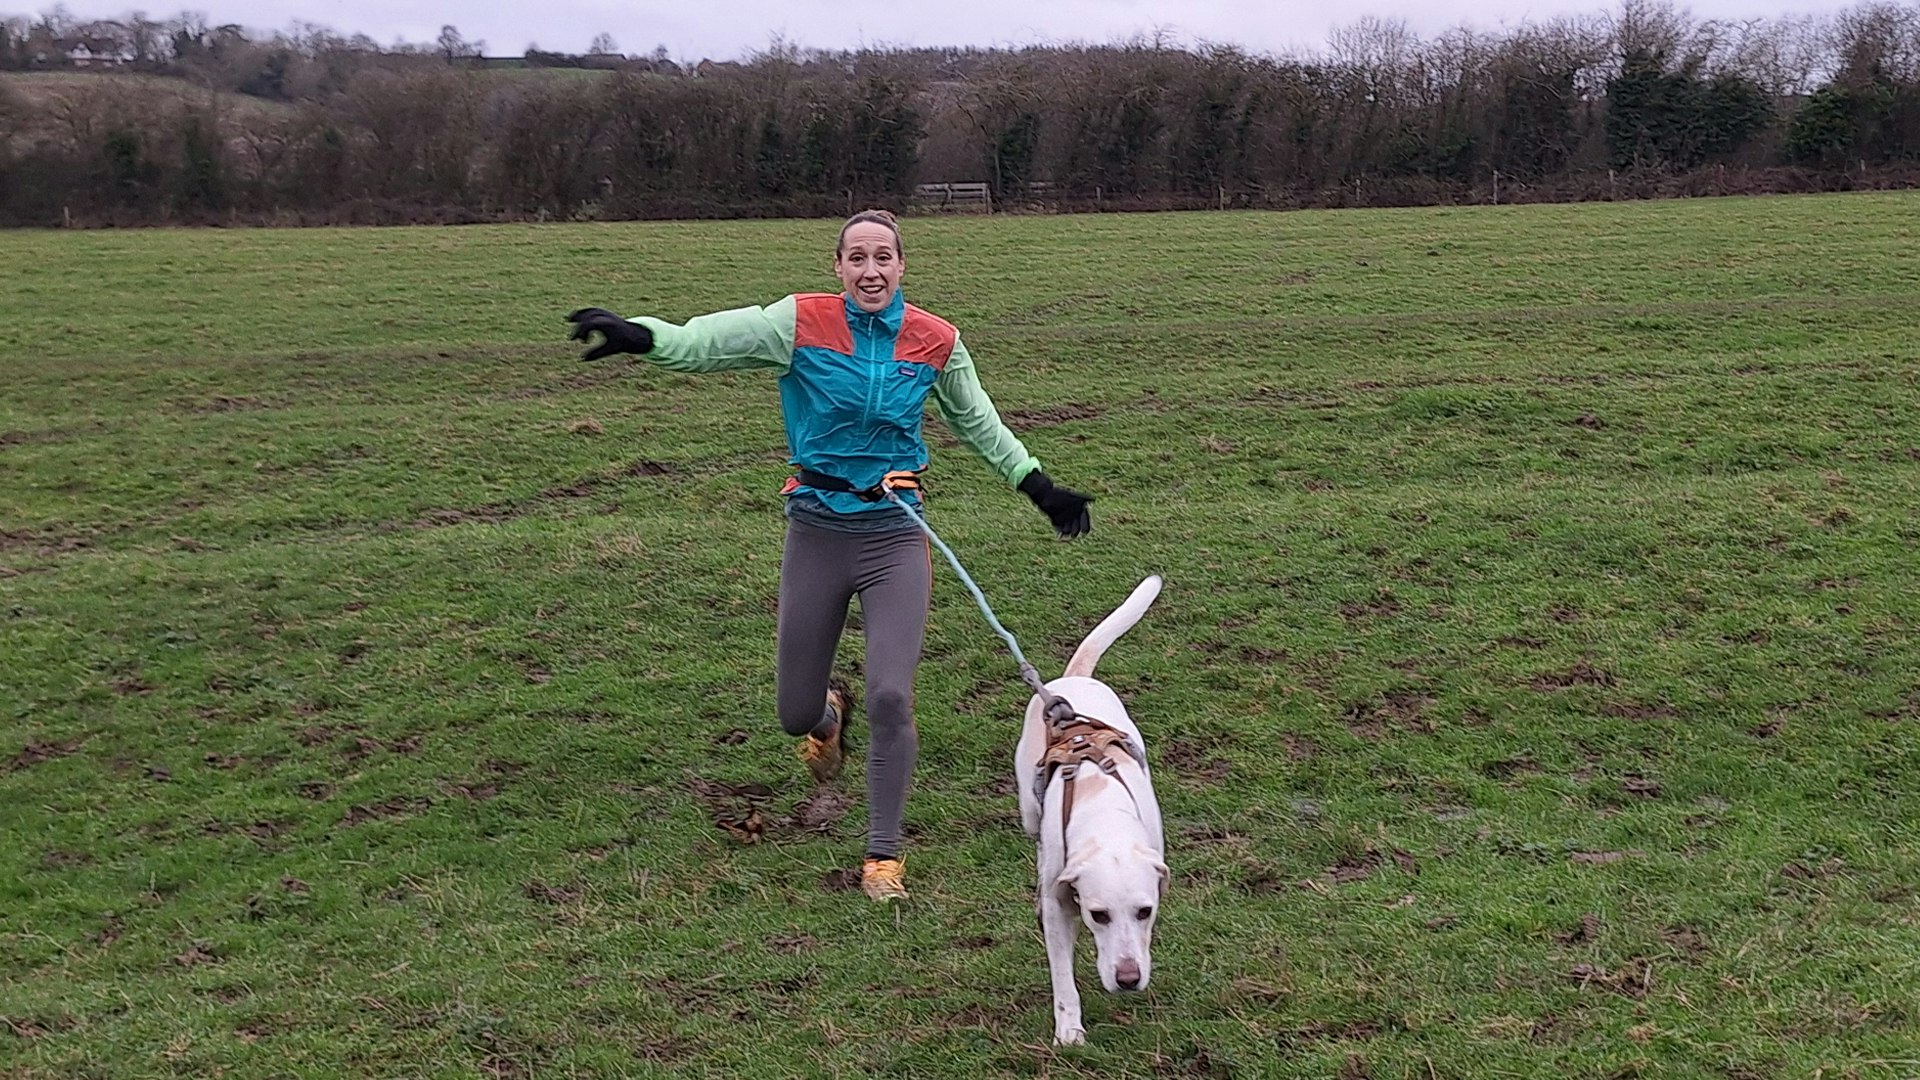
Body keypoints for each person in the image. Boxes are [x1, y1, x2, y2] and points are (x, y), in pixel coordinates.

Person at [566, 209, 1093, 901]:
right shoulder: (798, 322)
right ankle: (826, 719)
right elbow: (705, 343)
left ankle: (883, 856)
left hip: (894, 533)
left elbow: (978, 423)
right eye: (857, 258)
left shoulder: (936, 339)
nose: (871, 271)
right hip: (815, 530)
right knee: (793, 711)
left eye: (883, 257)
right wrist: (642, 336)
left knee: (892, 695)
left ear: (901, 266)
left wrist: (1039, 486)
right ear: (838, 267)